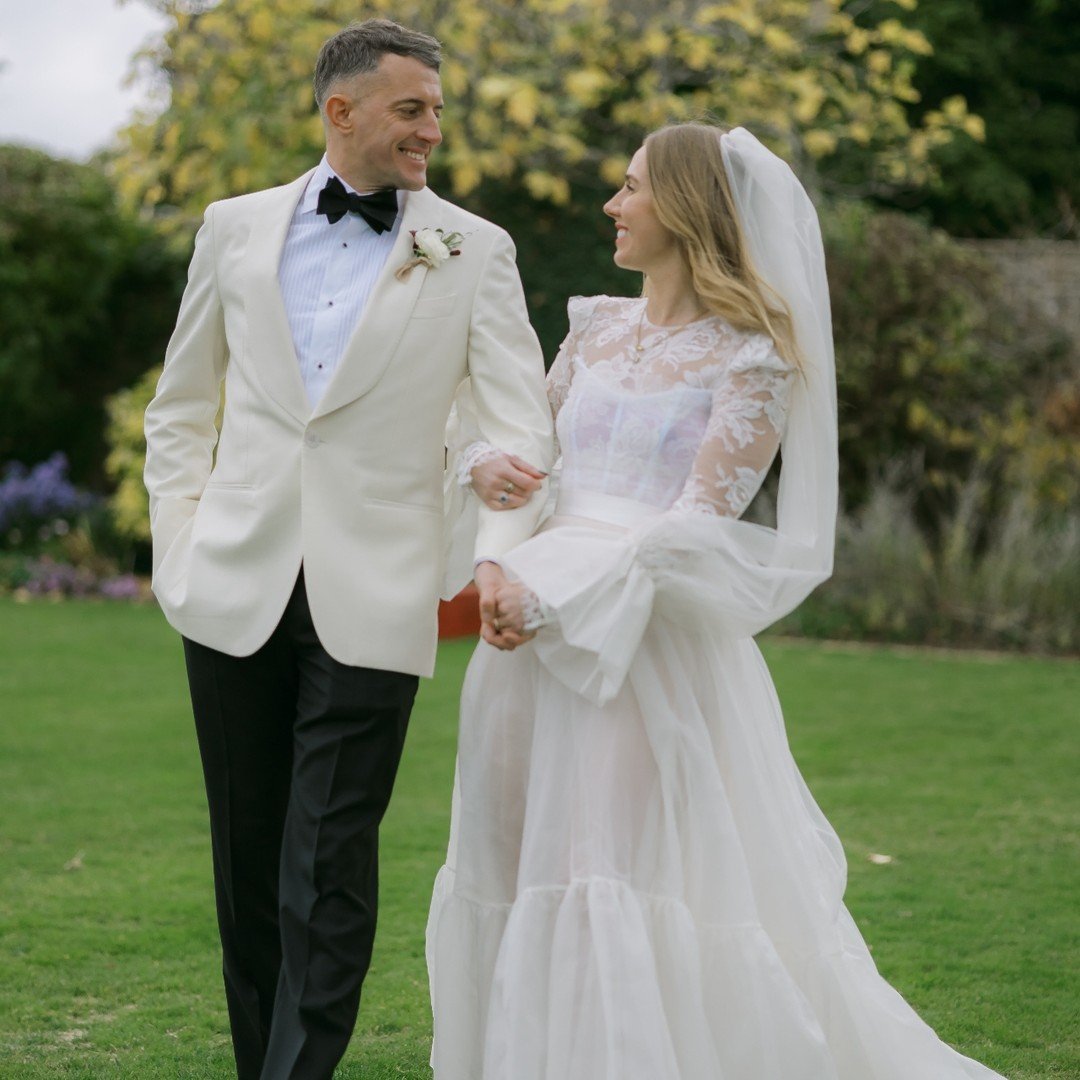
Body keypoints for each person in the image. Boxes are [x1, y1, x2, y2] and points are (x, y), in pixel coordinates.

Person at [426, 123, 1007, 1079]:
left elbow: (698, 522)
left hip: (640, 640)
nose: (613, 206)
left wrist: (558, 596)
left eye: (631, 187)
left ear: (690, 208)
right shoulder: (593, 327)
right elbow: (530, 452)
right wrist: (493, 523)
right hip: (522, 633)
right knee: (509, 860)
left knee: (605, 867)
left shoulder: (753, 357)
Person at [143, 19, 553, 1080]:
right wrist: (177, 547)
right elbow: (180, 407)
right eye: (411, 109)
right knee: (247, 866)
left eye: (437, 111)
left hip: (378, 589)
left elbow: (520, 426)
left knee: (327, 861)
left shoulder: (475, 248)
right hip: (232, 580)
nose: (431, 130)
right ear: (343, 110)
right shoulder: (232, 227)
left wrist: (495, 546)